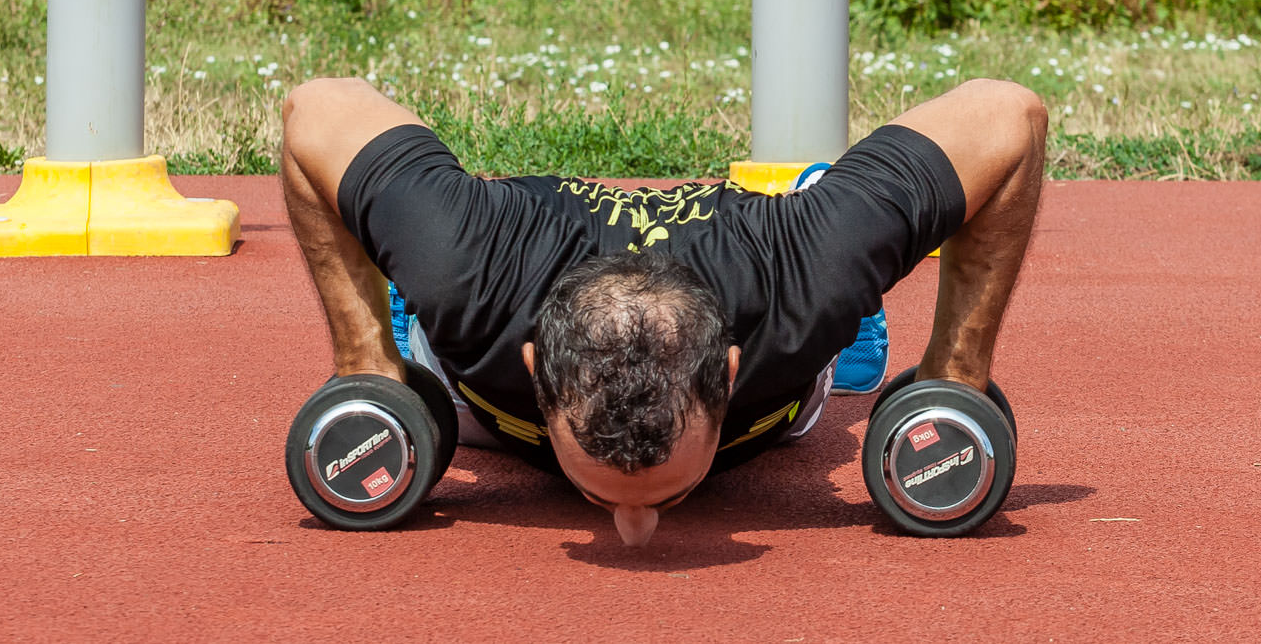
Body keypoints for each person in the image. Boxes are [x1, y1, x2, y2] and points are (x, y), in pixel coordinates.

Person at [281, 76, 1046, 548]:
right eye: (593, 494)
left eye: (674, 494)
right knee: (416, 325)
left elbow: (1008, 115)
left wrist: (956, 375)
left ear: (731, 370)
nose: (636, 531)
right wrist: (368, 366)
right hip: (484, 349)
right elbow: (316, 109)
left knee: (826, 357)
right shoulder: (471, 274)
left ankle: (838, 258)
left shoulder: (802, 283)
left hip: (775, 308)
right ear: (535, 367)